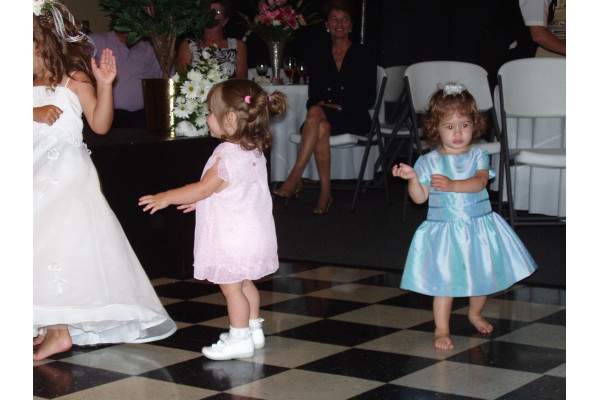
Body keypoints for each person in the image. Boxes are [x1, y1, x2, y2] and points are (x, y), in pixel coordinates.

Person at [33, 0, 176, 361]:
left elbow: (100, 124)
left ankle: (59, 330)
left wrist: (105, 85)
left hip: (63, 169)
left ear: (43, 44)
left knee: (52, 242)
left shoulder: (73, 78)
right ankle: (47, 321)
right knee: (40, 245)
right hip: (29, 167)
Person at [138, 79, 286, 360]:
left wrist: (167, 197)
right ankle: (254, 330)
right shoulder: (253, 149)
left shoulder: (225, 155)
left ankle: (239, 338)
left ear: (229, 119)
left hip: (231, 238)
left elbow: (205, 187)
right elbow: (234, 189)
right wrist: (204, 202)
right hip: (254, 234)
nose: (207, 117)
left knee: (231, 289)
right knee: (245, 283)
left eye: (210, 112)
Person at [392, 83, 538, 350]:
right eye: (449, 126)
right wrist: (413, 178)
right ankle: (441, 328)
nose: (458, 132)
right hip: (445, 231)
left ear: (474, 125)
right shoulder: (428, 162)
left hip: (479, 228)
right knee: (444, 283)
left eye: (464, 125)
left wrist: (452, 185)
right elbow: (420, 198)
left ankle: (475, 312)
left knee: (482, 277)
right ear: (436, 128)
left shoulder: (479, 156)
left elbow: (479, 183)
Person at [273, 0, 376, 214]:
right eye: (334, 19)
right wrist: (326, 106)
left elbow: (368, 99)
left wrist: (337, 106)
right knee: (320, 124)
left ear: (351, 25)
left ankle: (294, 177)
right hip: (323, 119)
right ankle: (325, 194)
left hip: (354, 117)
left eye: (345, 19)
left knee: (316, 114)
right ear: (327, 25)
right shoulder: (319, 55)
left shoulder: (363, 54)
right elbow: (313, 99)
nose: (339, 24)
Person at [90, 29, 163, 128]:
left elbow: (164, 77)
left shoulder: (148, 48)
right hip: (109, 118)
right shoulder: (95, 41)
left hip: (141, 118)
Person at [175, 0, 248, 79]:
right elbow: (181, 78)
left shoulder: (238, 46)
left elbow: (242, 79)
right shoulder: (188, 45)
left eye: (217, 12)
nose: (211, 16)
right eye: (207, 12)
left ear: (225, 21)